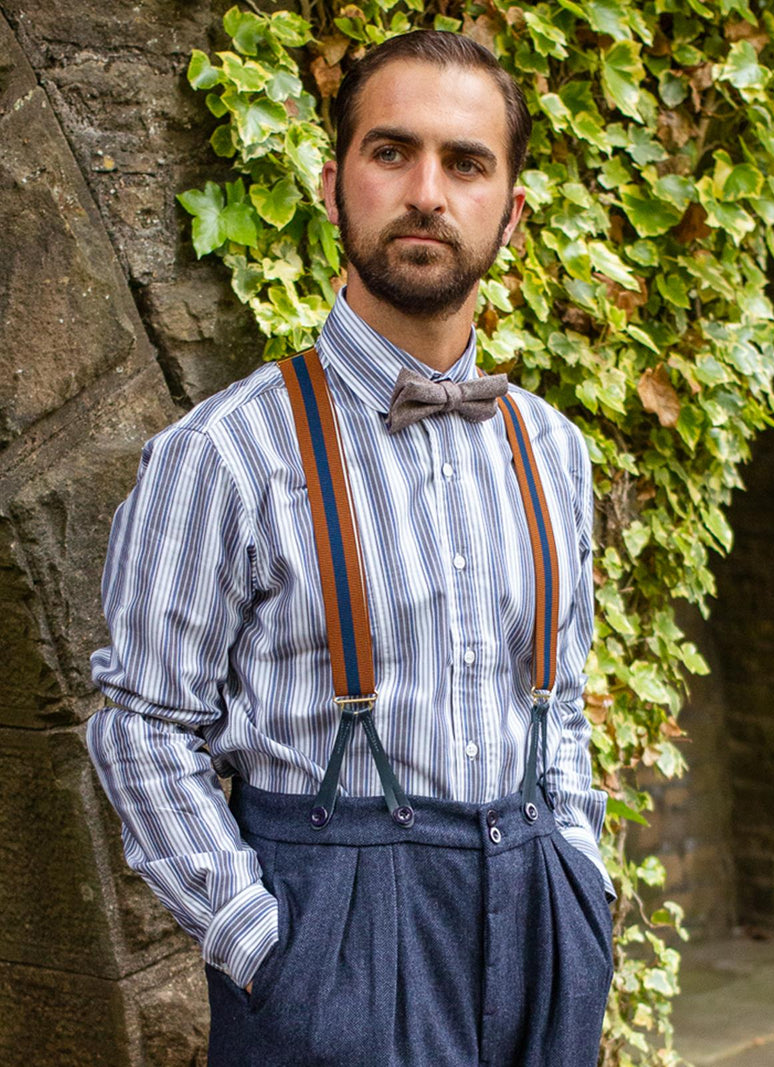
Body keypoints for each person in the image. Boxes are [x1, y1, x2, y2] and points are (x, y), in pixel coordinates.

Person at [87, 29, 614, 1067]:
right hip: (332, 933)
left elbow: (559, 699)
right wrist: (267, 946)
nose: (426, 190)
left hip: (543, 922)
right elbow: (143, 726)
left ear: (509, 208)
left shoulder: (554, 449)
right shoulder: (224, 455)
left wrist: (582, 877)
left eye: (464, 162)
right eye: (391, 152)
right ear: (334, 183)